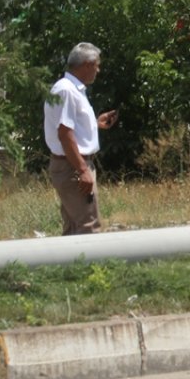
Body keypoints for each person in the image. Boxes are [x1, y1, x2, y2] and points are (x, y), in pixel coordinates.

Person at [44, 43, 117, 235]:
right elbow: (65, 134)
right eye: (97, 65)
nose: (98, 70)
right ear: (87, 64)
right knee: (88, 226)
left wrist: (94, 123)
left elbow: (68, 128)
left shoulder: (69, 88)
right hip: (73, 166)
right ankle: (92, 266)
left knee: (73, 228)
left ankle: (70, 265)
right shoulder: (67, 91)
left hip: (71, 165)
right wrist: (82, 170)